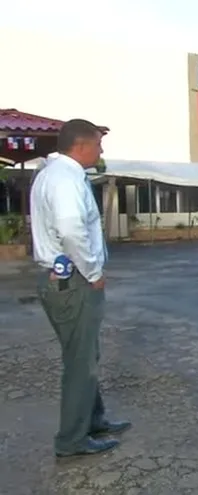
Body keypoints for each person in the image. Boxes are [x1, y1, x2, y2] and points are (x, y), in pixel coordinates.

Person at [30, 119, 131, 458]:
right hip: (73, 280)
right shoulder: (64, 178)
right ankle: (72, 439)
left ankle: (94, 419)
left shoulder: (56, 174)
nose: (101, 150)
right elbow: (71, 229)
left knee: (86, 354)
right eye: (98, 144)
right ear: (82, 145)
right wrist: (92, 271)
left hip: (66, 279)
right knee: (81, 361)